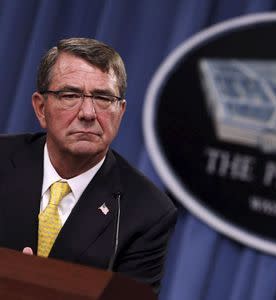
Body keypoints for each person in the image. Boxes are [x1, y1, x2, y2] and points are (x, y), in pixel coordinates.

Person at [0, 38, 177, 292]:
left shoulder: (148, 213)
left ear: (121, 112)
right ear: (41, 108)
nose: (88, 113)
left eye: (103, 98)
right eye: (70, 95)